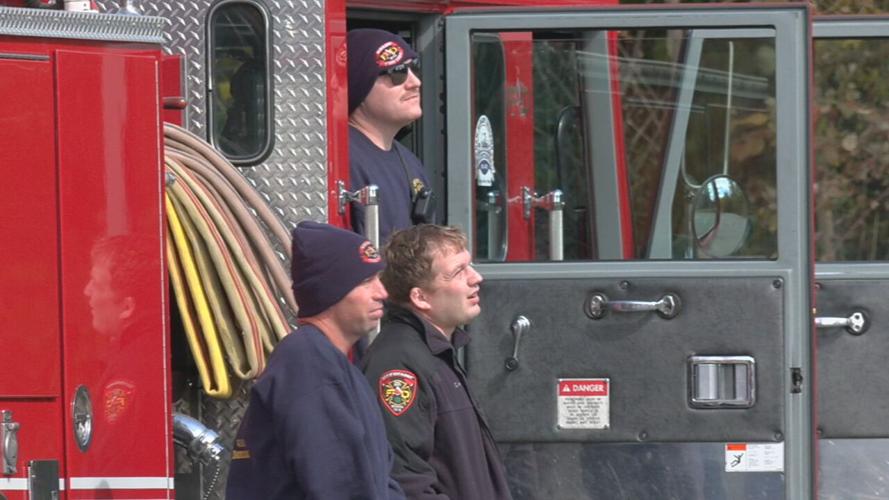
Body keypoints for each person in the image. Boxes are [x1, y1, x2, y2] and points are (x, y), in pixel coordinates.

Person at [226, 221, 405, 500]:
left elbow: (381, 481)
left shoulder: (332, 365)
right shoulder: (309, 366)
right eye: (366, 281)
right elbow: (339, 487)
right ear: (331, 291)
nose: (382, 292)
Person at [361, 224, 512, 500]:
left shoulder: (434, 354)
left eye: (470, 266)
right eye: (458, 272)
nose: (476, 278)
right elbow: (405, 483)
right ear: (420, 297)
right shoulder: (399, 365)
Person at [347, 28, 434, 244]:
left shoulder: (409, 162)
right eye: (398, 72)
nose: (415, 83)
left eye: (415, 69)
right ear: (360, 84)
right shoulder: (340, 158)